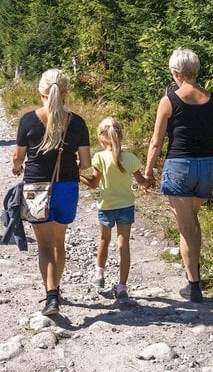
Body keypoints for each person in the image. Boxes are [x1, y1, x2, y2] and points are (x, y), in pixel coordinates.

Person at [144, 48, 213, 303]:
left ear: (176, 72)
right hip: (207, 166)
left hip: (180, 167)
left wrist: (149, 171)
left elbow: (156, 141)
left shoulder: (169, 100)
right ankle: (196, 272)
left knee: (185, 226)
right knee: (193, 220)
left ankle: (194, 286)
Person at [12, 69, 91, 316]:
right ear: (65, 92)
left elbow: (18, 157)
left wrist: (17, 167)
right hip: (66, 186)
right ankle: (57, 288)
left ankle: (51, 296)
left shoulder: (28, 120)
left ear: (41, 91)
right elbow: (86, 163)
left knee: (44, 245)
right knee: (59, 242)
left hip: (36, 187)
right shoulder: (77, 122)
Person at [84, 117, 148, 304]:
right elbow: (141, 181)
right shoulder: (130, 158)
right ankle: (122, 287)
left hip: (106, 206)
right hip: (126, 205)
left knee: (104, 239)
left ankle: (99, 275)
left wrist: (78, 176)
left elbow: (94, 184)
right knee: (124, 245)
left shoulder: (99, 158)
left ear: (101, 138)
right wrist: (148, 183)